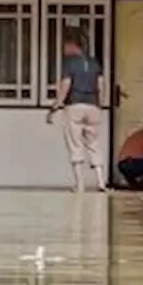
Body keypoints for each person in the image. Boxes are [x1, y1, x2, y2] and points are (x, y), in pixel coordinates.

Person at [46, 30, 107, 192]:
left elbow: (66, 85)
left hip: (75, 106)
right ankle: (101, 182)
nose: (63, 49)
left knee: (75, 144)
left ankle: (80, 184)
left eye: (65, 45)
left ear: (73, 45)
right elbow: (101, 86)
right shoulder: (95, 63)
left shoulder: (70, 63)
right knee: (94, 143)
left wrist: (56, 105)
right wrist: (100, 105)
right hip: (93, 107)